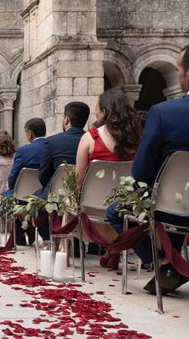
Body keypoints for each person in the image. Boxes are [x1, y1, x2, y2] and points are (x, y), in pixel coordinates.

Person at [107, 45, 189, 294]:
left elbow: (141, 171)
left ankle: (164, 262)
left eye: (178, 70)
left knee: (116, 211)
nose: (178, 75)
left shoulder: (164, 113)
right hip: (173, 209)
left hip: (169, 206)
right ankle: (170, 266)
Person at [74, 89, 141, 268]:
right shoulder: (137, 139)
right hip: (123, 207)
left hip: (92, 205)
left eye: (97, 108)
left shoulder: (90, 138)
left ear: (104, 112)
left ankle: (64, 254)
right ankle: (113, 249)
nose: (95, 112)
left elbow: (78, 180)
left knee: (66, 198)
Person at [36, 101, 90, 241]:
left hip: (55, 194)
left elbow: (43, 174)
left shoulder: (53, 141)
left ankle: (50, 239)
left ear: (66, 119)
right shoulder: (92, 141)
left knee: (37, 201)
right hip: (87, 194)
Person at [5, 118, 46, 245]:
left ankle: (19, 235)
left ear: (30, 134)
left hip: (23, 195)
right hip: (46, 193)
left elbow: (13, 178)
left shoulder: (23, 151)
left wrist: (12, 186)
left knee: (7, 196)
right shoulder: (52, 146)